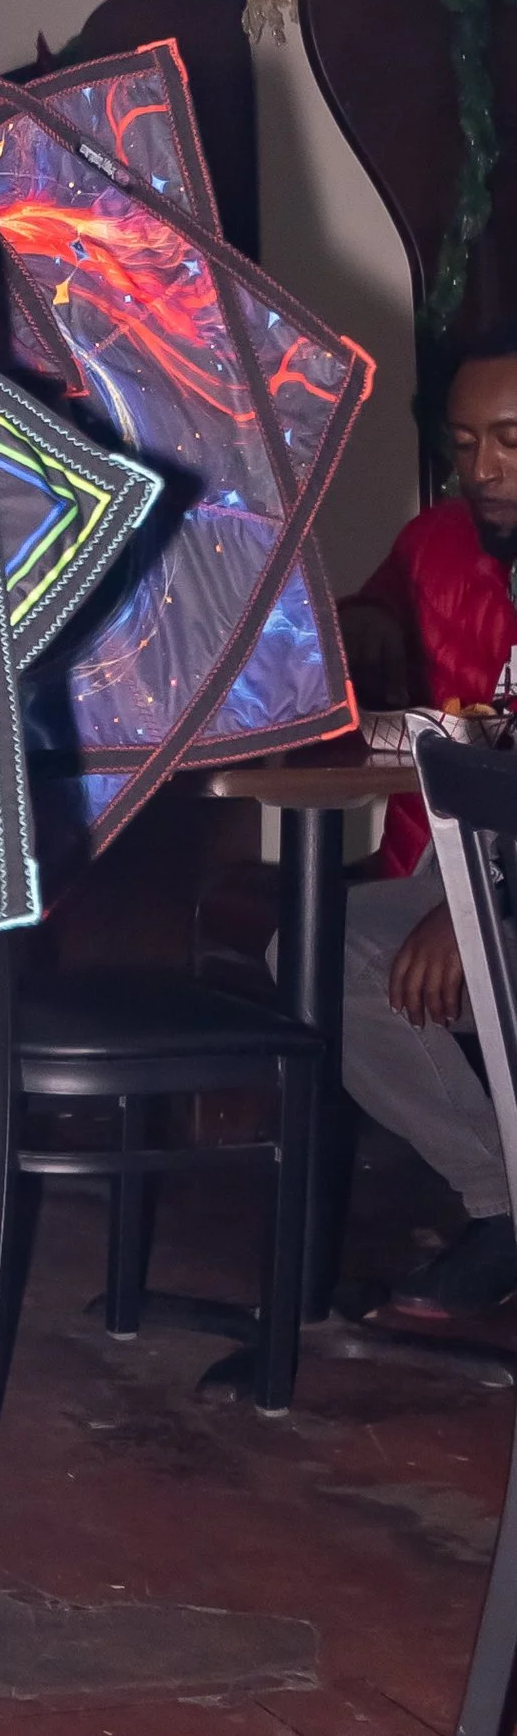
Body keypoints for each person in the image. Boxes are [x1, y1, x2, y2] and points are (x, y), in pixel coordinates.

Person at [338, 325, 517, 1323]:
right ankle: (504, 1205)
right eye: (463, 443)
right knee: (317, 953)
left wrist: (476, 901)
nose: (482, 470)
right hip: (444, 869)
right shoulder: (439, 541)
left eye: (510, 441)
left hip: (492, 889)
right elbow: (362, 640)